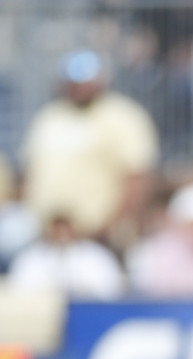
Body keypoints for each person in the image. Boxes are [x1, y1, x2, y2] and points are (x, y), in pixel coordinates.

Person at [21, 50, 158, 253]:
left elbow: (137, 177)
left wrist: (113, 226)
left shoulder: (123, 117)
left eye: (85, 81)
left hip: (101, 238)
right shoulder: (49, 117)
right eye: (74, 82)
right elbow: (29, 173)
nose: (79, 88)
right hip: (47, 237)